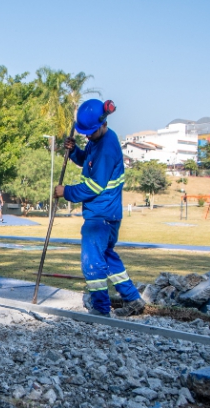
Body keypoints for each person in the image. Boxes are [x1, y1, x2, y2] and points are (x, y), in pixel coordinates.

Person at [55, 98, 145, 317]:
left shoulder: (106, 148)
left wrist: (65, 191)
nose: (87, 136)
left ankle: (101, 309)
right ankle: (133, 299)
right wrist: (75, 150)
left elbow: (94, 185)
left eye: (90, 132)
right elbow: (87, 161)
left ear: (103, 123)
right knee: (107, 257)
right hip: (110, 214)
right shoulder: (100, 138)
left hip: (100, 216)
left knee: (92, 262)